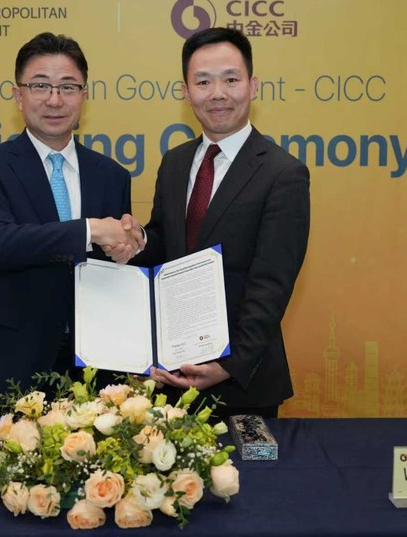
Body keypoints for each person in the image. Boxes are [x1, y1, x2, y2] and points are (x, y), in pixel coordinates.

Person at [0, 32, 143, 419]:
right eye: (40, 86)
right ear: (18, 95)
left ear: (84, 96)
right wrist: (90, 230)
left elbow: (116, 264)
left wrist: (131, 244)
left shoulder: (111, 175)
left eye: (68, 87)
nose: (54, 100)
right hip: (13, 364)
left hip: (97, 369)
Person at [128, 27, 310, 418]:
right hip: (171, 377)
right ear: (185, 91)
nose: (217, 93)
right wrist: (137, 240)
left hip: (243, 386)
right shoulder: (175, 162)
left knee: (247, 463)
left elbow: (272, 283)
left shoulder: (283, 173)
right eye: (203, 82)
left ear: (253, 85)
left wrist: (229, 364)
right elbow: (167, 244)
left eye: (230, 79)